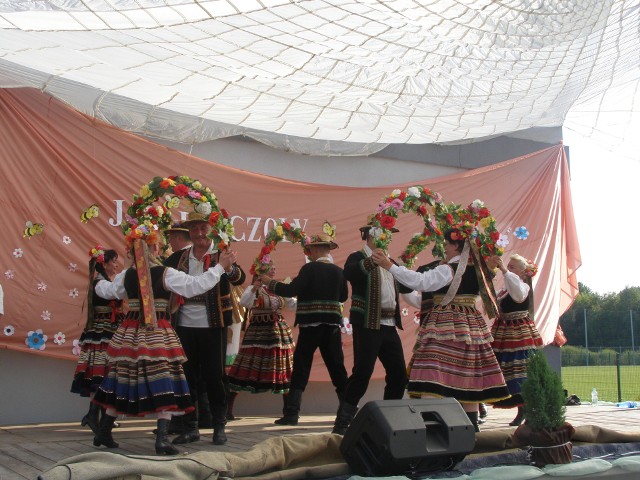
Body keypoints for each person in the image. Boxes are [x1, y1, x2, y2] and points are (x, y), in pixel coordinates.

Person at [92, 236, 239, 455]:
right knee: (166, 378)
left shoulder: (128, 275)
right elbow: (195, 286)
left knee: (123, 376)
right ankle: (161, 439)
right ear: (152, 248)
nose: (160, 248)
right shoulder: (164, 273)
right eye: (158, 245)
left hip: (131, 333)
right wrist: (220, 268)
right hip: (155, 332)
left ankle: (104, 430)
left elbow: (107, 291)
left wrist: (96, 279)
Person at [372, 228, 510, 431]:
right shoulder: (478, 270)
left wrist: (390, 266)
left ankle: (435, 432)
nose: (444, 247)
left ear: (455, 246)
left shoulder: (449, 269)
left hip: (446, 325)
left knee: (433, 378)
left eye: (446, 244)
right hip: (471, 327)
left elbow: (421, 282)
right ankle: (470, 432)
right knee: (468, 380)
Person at [164, 209, 246, 445]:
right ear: (188, 232)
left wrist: (228, 267)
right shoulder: (178, 257)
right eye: (194, 229)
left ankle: (219, 426)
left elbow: (238, 278)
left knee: (215, 376)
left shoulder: (221, 254)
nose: (199, 233)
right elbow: (160, 274)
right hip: (184, 325)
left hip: (213, 325)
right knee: (186, 376)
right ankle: (190, 427)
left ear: (210, 230)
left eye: (203, 228)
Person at [260, 227, 349, 426]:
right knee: (337, 368)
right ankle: (347, 411)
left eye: (310, 250)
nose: (309, 254)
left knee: (301, 367)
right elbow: (343, 296)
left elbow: (292, 289)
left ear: (317, 250)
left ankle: (292, 413)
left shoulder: (309, 269)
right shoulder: (339, 272)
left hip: (310, 325)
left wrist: (270, 283)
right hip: (332, 325)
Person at [332, 220, 413, 434]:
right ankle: (342, 423)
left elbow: (406, 284)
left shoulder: (390, 260)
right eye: (384, 233)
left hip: (388, 325)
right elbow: (350, 273)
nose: (387, 238)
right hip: (367, 323)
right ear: (371, 235)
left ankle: (388, 420)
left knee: (398, 374)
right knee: (362, 372)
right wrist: (372, 262)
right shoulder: (358, 256)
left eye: (389, 234)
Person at [227, 262, 296, 418]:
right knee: (246, 365)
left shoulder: (278, 288)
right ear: (261, 271)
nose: (274, 270)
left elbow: (292, 304)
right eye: (271, 267)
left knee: (283, 368)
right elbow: (244, 302)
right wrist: (255, 286)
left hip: (278, 332)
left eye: (274, 267)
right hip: (257, 332)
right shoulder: (255, 289)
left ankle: (289, 411)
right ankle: (227, 409)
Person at [71, 248, 123, 434]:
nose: (117, 264)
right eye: (114, 261)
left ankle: (98, 416)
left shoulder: (108, 281)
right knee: (100, 373)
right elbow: (115, 294)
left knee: (106, 373)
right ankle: (94, 415)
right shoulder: (101, 283)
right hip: (102, 331)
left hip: (109, 329)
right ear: (105, 264)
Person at [489, 253, 543, 426]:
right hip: (504, 330)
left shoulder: (523, 287)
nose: (508, 268)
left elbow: (518, 296)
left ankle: (525, 410)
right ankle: (512, 405)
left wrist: (504, 270)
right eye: (509, 266)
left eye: (512, 267)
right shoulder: (504, 289)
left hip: (518, 331)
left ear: (522, 272)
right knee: (504, 369)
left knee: (521, 370)